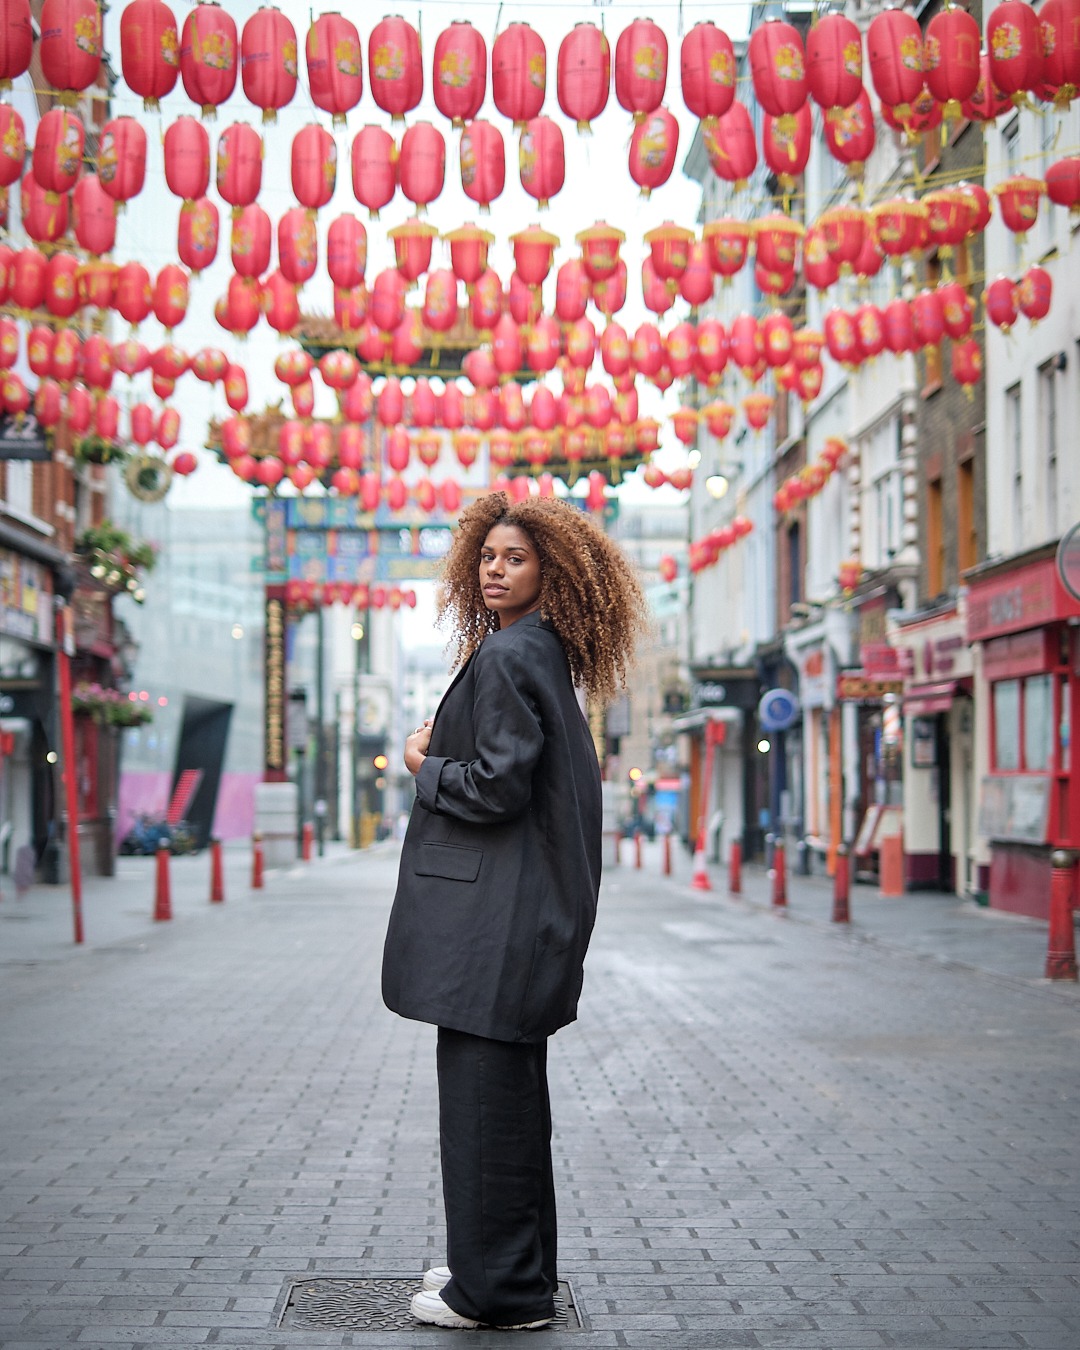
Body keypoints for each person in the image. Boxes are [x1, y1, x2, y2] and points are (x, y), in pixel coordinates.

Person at [382, 490, 647, 1331]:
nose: (497, 570)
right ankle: (507, 1270)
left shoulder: (509, 658)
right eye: (489, 557)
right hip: (520, 920)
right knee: (509, 1105)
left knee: (484, 1108)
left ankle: (492, 1292)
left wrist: (424, 762)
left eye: (516, 559)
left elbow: (496, 786)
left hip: (492, 929)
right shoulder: (538, 653)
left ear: (552, 571)